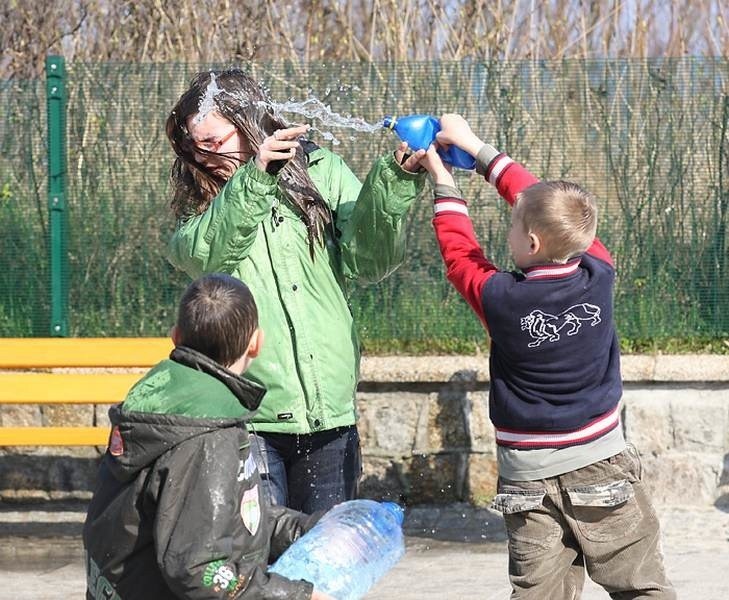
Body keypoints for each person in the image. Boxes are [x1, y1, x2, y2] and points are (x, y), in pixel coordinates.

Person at [420, 114, 676, 599]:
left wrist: (444, 175)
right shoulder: (600, 268)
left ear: (532, 242)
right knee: (641, 586)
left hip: (526, 472)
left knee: (538, 593)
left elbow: (461, 255)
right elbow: (540, 200)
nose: (512, 226)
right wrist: (476, 146)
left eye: (515, 224)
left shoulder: (501, 298)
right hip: (602, 461)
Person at [165, 69, 426, 514]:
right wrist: (256, 175)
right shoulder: (204, 195)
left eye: (212, 142)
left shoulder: (322, 170)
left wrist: (396, 181)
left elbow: (370, 262)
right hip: (245, 414)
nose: (202, 156)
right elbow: (203, 256)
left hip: (327, 410)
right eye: (194, 145)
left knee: (321, 562)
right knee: (257, 561)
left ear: (247, 122)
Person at [83, 273, 332, 600]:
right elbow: (200, 570)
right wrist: (298, 596)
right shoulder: (208, 436)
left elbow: (232, 516)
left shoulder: (160, 407)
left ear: (175, 337)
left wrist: (310, 530)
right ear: (256, 343)